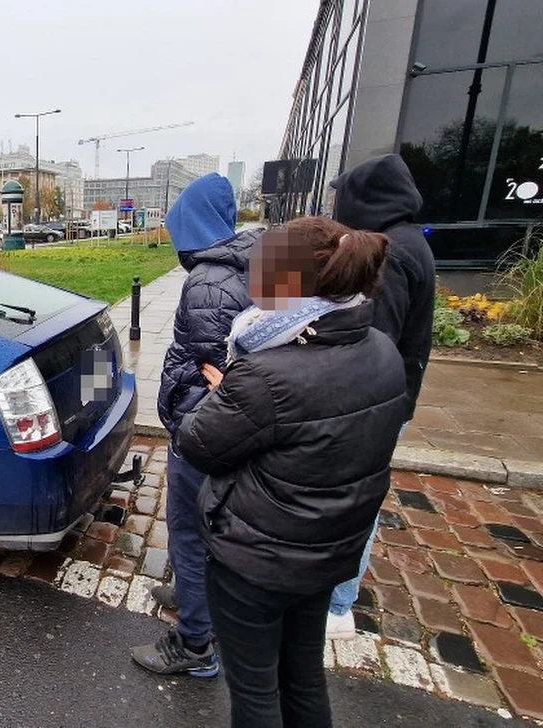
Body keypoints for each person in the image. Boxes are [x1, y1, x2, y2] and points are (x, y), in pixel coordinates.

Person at [177, 216, 408, 726]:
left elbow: (198, 444)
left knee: (256, 690)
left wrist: (225, 391)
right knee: (303, 676)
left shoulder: (265, 372)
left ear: (286, 282)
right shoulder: (381, 349)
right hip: (328, 550)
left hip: (259, 558)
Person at [131, 173, 262, 678]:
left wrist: (191, 396)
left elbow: (215, 368)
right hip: (231, 430)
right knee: (210, 530)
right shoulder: (255, 259)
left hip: (202, 430)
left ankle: (193, 644)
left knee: (188, 531)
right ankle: (195, 599)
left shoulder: (208, 281)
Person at [325, 154, 437, 639]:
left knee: (353, 500)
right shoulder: (412, 242)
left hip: (371, 405)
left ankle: (336, 605)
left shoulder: (390, 253)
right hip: (389, 398)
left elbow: (374, 340)